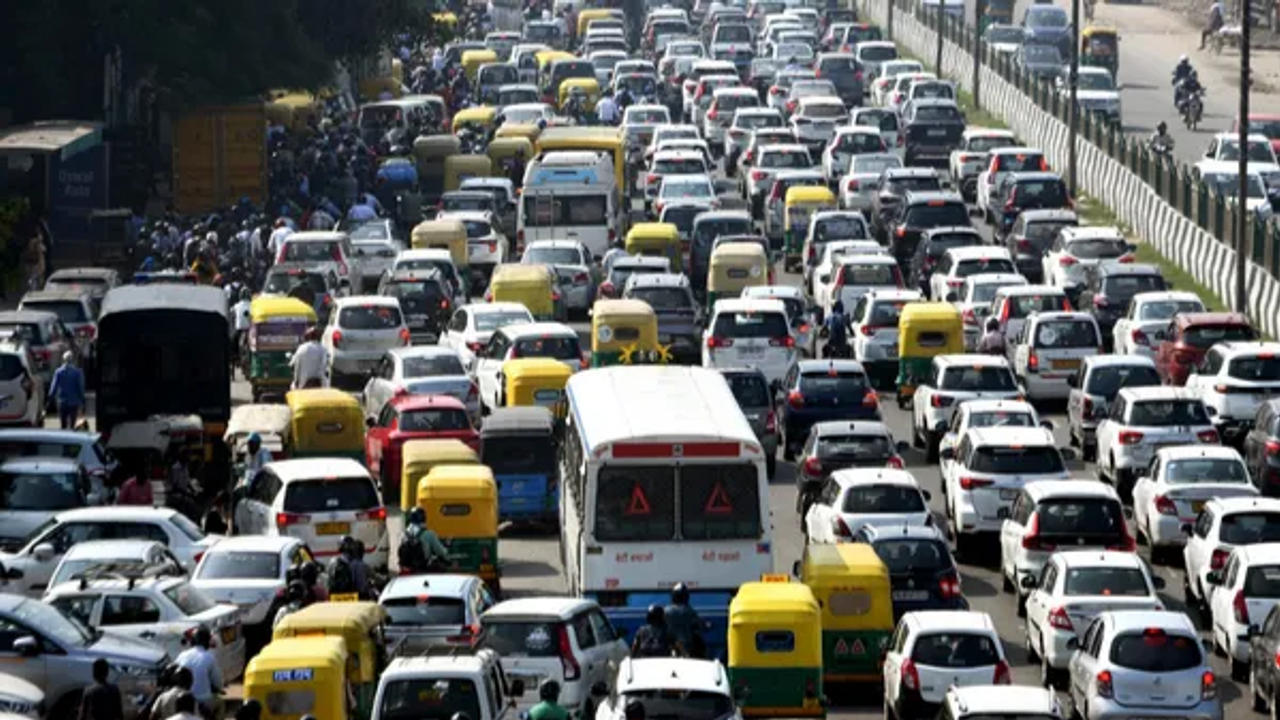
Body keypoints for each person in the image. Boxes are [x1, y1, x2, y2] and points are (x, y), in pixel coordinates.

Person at [175, 627, 223, 717]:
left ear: (192, 641)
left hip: (181, 699)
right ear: (207, 642)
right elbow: (219, 684)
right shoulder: (209, 657)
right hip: (203, 699)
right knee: (220, 703)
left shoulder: (182, 655)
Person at [400, 506, 451, 572]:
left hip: (406, 569)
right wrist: (447, 558)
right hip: (422, 569)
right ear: (424, 518)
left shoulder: (404, 534)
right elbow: (441, 552)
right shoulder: (429, 534)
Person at [663, 583, 704, 657]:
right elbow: (698, 625)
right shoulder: (689, 611)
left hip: (669, 646)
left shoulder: (666, 610)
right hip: (687, 646)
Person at [48, 351, 86, 429]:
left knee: (63, 423)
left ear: (63, 360)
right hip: (74, 401)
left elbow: (54, 387)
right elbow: (80, 387)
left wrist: (50, 398)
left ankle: (64, 436)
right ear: (73, 360)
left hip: (62, 401)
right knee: (73, 423)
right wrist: (82, 400)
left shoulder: (58, 372)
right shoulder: (77, 372)